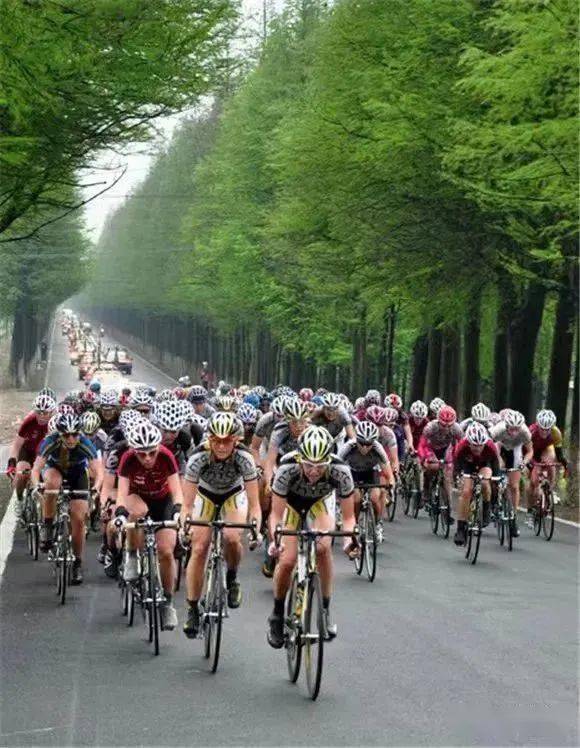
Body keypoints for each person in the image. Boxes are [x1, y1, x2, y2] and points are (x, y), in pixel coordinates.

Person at [266, 425, 357, 649]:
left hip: (320, 503)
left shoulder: (340, 470)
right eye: (308, 465)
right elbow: (275, 515)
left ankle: (324, 609)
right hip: (292, 505)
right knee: (287, 560)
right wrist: (275, 541)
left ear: (329, 461)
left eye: (320, 466)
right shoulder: (286, 468)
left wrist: (349, 541)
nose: (314, 471)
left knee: (323, 548)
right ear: (299, 459)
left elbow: (348, 518)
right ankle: (277, 614)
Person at [181, 412, 261, 638]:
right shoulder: (198, 457)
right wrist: (184, 524)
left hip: (233, 494)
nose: (222, 446)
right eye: (216, 440)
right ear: (210, 439)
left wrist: (255, 529)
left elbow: (255, 505)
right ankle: (193, 608)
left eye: (227, 441)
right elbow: (187, 504)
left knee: (232, 537)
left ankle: (232, 578)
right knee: (199, 548)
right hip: (205, 495)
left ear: (236, 440)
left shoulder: (245, 458)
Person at [114, 420, 183, 631]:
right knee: (138, 511)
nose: (147, 458)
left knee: (166, 552)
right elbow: (121, 494)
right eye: (142, 454)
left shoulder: (166, 456)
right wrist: (120, 514)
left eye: (152, 453)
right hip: (137, 497)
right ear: (134, 451)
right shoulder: (127, 458)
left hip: (163, 501)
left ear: (158, 448)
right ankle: (132, 555)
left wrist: (178, 511)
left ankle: (168, 603)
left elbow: (177, 491)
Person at [30, 413, 100, 584]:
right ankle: (47, 526)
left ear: (79, 433)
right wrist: (37, 485)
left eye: (74, 434)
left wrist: (96, 488)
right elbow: (36, 469)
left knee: (79, 519)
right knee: (52, 485)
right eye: (66, 435)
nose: (71, 439)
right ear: (59, 434)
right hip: (55, 469)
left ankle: (77, 563)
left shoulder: (85, 443)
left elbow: (98, 471)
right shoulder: (50, 441)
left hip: (78, 475)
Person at [339, 421, 390, 542]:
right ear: (356, 440)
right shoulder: (348, 446)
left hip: (371, 472)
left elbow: (387, 471)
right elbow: (337, 465)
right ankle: (355, 524)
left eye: (368, 444)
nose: (365, 447)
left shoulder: (378, 448)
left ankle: (378, 524)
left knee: (374, 497)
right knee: (356, 498)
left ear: (373, 442)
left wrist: (390, 484)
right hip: (353, 472)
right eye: (361, 443)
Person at [453, 422, 500, 546]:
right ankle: (460, 529)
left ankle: (486, 509)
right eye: (474, 445)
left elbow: (495, 464)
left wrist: (496, 479)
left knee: (485, 483)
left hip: (485, 464)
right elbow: (456, 465)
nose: (478, 448)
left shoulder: (490, 446)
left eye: (480, 445)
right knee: (466, 492)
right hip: (467, 466)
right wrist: (457, 477)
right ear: (469, 442)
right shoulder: (462, 445)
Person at [489, 409, 532, 536]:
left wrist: (524, 463)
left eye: (516, 429)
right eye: (511, 429)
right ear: (506, 426)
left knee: (514, 486)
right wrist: (497, 460)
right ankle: (493, 502)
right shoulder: (498, 429)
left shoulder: (525, 432)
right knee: (494, 477)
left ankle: (513, 518)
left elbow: (530, 451)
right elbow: (489, 446)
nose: (514, 433)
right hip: (499, 447)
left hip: (515, 450)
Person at [7, 392, 56, 500]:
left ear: (51, 412)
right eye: (38, 412)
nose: (41, 416)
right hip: (28, 451)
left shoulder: (55, 423)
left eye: (45, 413)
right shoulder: (29, 420)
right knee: (21, 474)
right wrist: (11, 464)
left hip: (44, 454)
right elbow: (17, 444)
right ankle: (20, 499)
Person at [526, 409, 568, 521]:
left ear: (552, 427)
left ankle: (550, 490)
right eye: (542, 429)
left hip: (546, 449)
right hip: (533, 451)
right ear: (537, 425)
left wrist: (563, 463)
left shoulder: (556, 433)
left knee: (551, 462)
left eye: (547, 429)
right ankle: (530, 508)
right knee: (533, 482)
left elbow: (558, 452)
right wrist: (529, 464)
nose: (544, 432)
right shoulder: (531, 431)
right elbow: (526, 451)